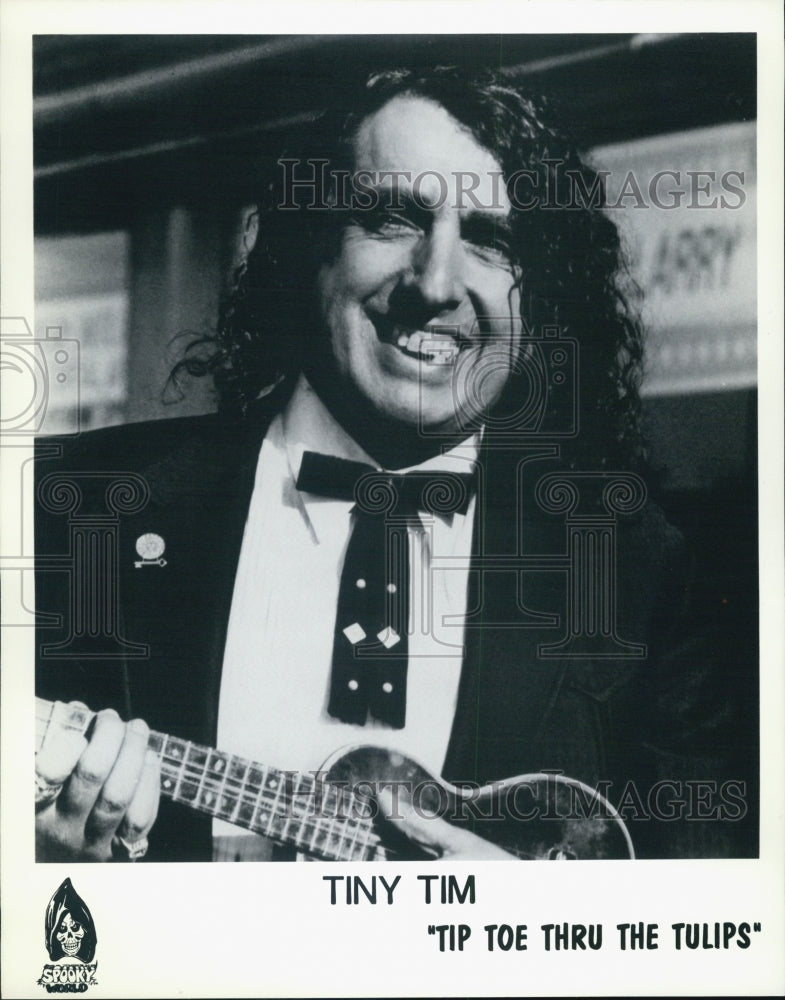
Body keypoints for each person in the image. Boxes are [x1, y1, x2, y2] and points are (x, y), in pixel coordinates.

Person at [34, 66, 755, 863]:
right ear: (308, 244)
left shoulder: (640, 568)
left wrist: (556, 937)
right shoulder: (67, 507)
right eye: (390, 218)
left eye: (492, 239)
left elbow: (712, 906)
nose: (435, 284)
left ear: (540, 296)